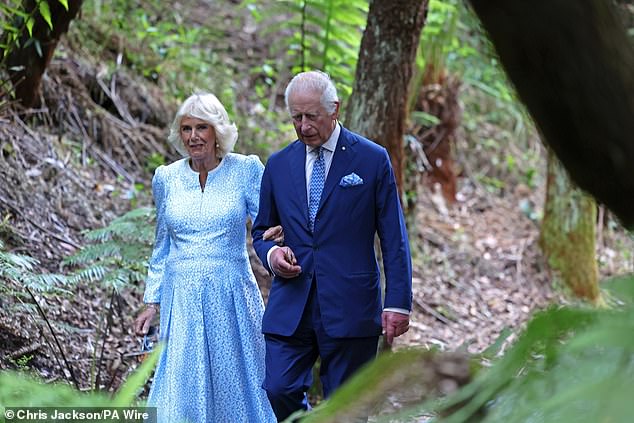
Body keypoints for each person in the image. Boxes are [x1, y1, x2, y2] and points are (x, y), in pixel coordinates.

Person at [252, 70, 413, 421]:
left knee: (349, 407)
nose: (304, 125)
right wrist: (273, 255)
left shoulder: (371, 160)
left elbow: (393, 236)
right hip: (292, 305)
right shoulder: (278, 165)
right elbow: (261, 231)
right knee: (278, 388)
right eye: (297, 117)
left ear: (335, 109)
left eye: (312, 116)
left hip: (351, 304)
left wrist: (398, 302)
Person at [134, 92, 278, 423]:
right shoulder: (166, 178)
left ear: (218, 132)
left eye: (202, 127)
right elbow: (161, 244)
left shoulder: (245, 169)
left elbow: (266, 228)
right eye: (186, 129)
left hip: (231, 294)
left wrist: (282, 240)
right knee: (181, 380)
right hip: (179, 295)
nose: (194, 136)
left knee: (236, 379)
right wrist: (151, 301)